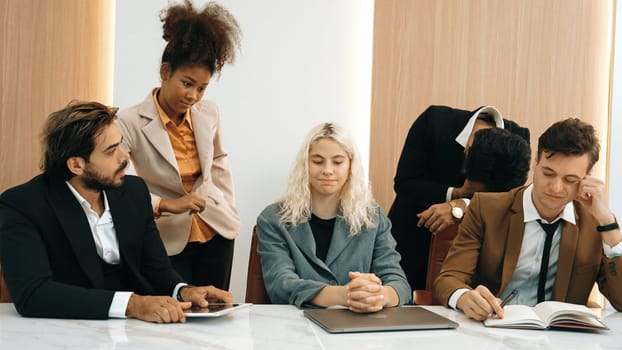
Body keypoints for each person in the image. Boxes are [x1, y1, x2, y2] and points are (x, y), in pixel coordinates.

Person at [0, 101, 232, 322]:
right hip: (63, 337)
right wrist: (131, 305)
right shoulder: (22, 205)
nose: (125, 157)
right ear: (76, 165)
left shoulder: (134, 191)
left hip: (136, 336)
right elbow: (32, 295)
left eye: (121, 143)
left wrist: (183, 291)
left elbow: (156, 268)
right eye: (111, 151)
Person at [433, 118, 622, 320]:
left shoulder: (596, 223)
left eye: (570, 180)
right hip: (493, 329)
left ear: (587, 178)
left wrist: (608, 224)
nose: (556, 188)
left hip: (561, 339)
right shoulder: (487, 209)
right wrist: (464, 297)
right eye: (548, 173)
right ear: (536, 163)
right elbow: (448, 278)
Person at [117, 0, 241, 289]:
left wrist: (227, 204)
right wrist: (165, 205)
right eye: (187, 83)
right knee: (173, 317)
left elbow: (220, 160)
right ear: (165, 71)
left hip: (216, 228)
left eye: (202, 88)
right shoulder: (129, 121)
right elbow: (115, 182)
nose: (193, 95)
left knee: (213, 312)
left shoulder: (208, 112)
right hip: (167, 236)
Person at [256, 123, 411, 312]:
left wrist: (377, 295)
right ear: (305, 164)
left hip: (358, 330)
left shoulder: (373, 217)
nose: (328, 170)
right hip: (297, 329)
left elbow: (399, 284)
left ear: (350, 166)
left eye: (337, 162)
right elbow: (281, 285)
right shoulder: (273, 219)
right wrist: (345, 295)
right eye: (318, 161)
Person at [388, 105, 530, 290]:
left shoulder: (518, 139)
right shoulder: (434, 122)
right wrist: (457, 193)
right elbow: (405, 184)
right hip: (414, 236)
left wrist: (463, 205)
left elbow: (508, 200)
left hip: (472, 250)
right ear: (467, 147)